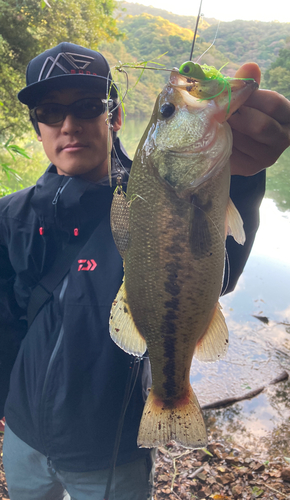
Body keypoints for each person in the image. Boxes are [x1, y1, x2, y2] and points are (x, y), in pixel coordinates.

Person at [0, 42, 289, 500]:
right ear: (37, 126)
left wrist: (243, 177)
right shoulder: (10, 214)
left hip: (111, 450)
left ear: (114, 117)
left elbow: (220, 271)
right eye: (50, 111)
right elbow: (6, 319)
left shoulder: (142, 201)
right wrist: (5, 403)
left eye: (88, 106)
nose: (69, 124)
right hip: (22, 437)